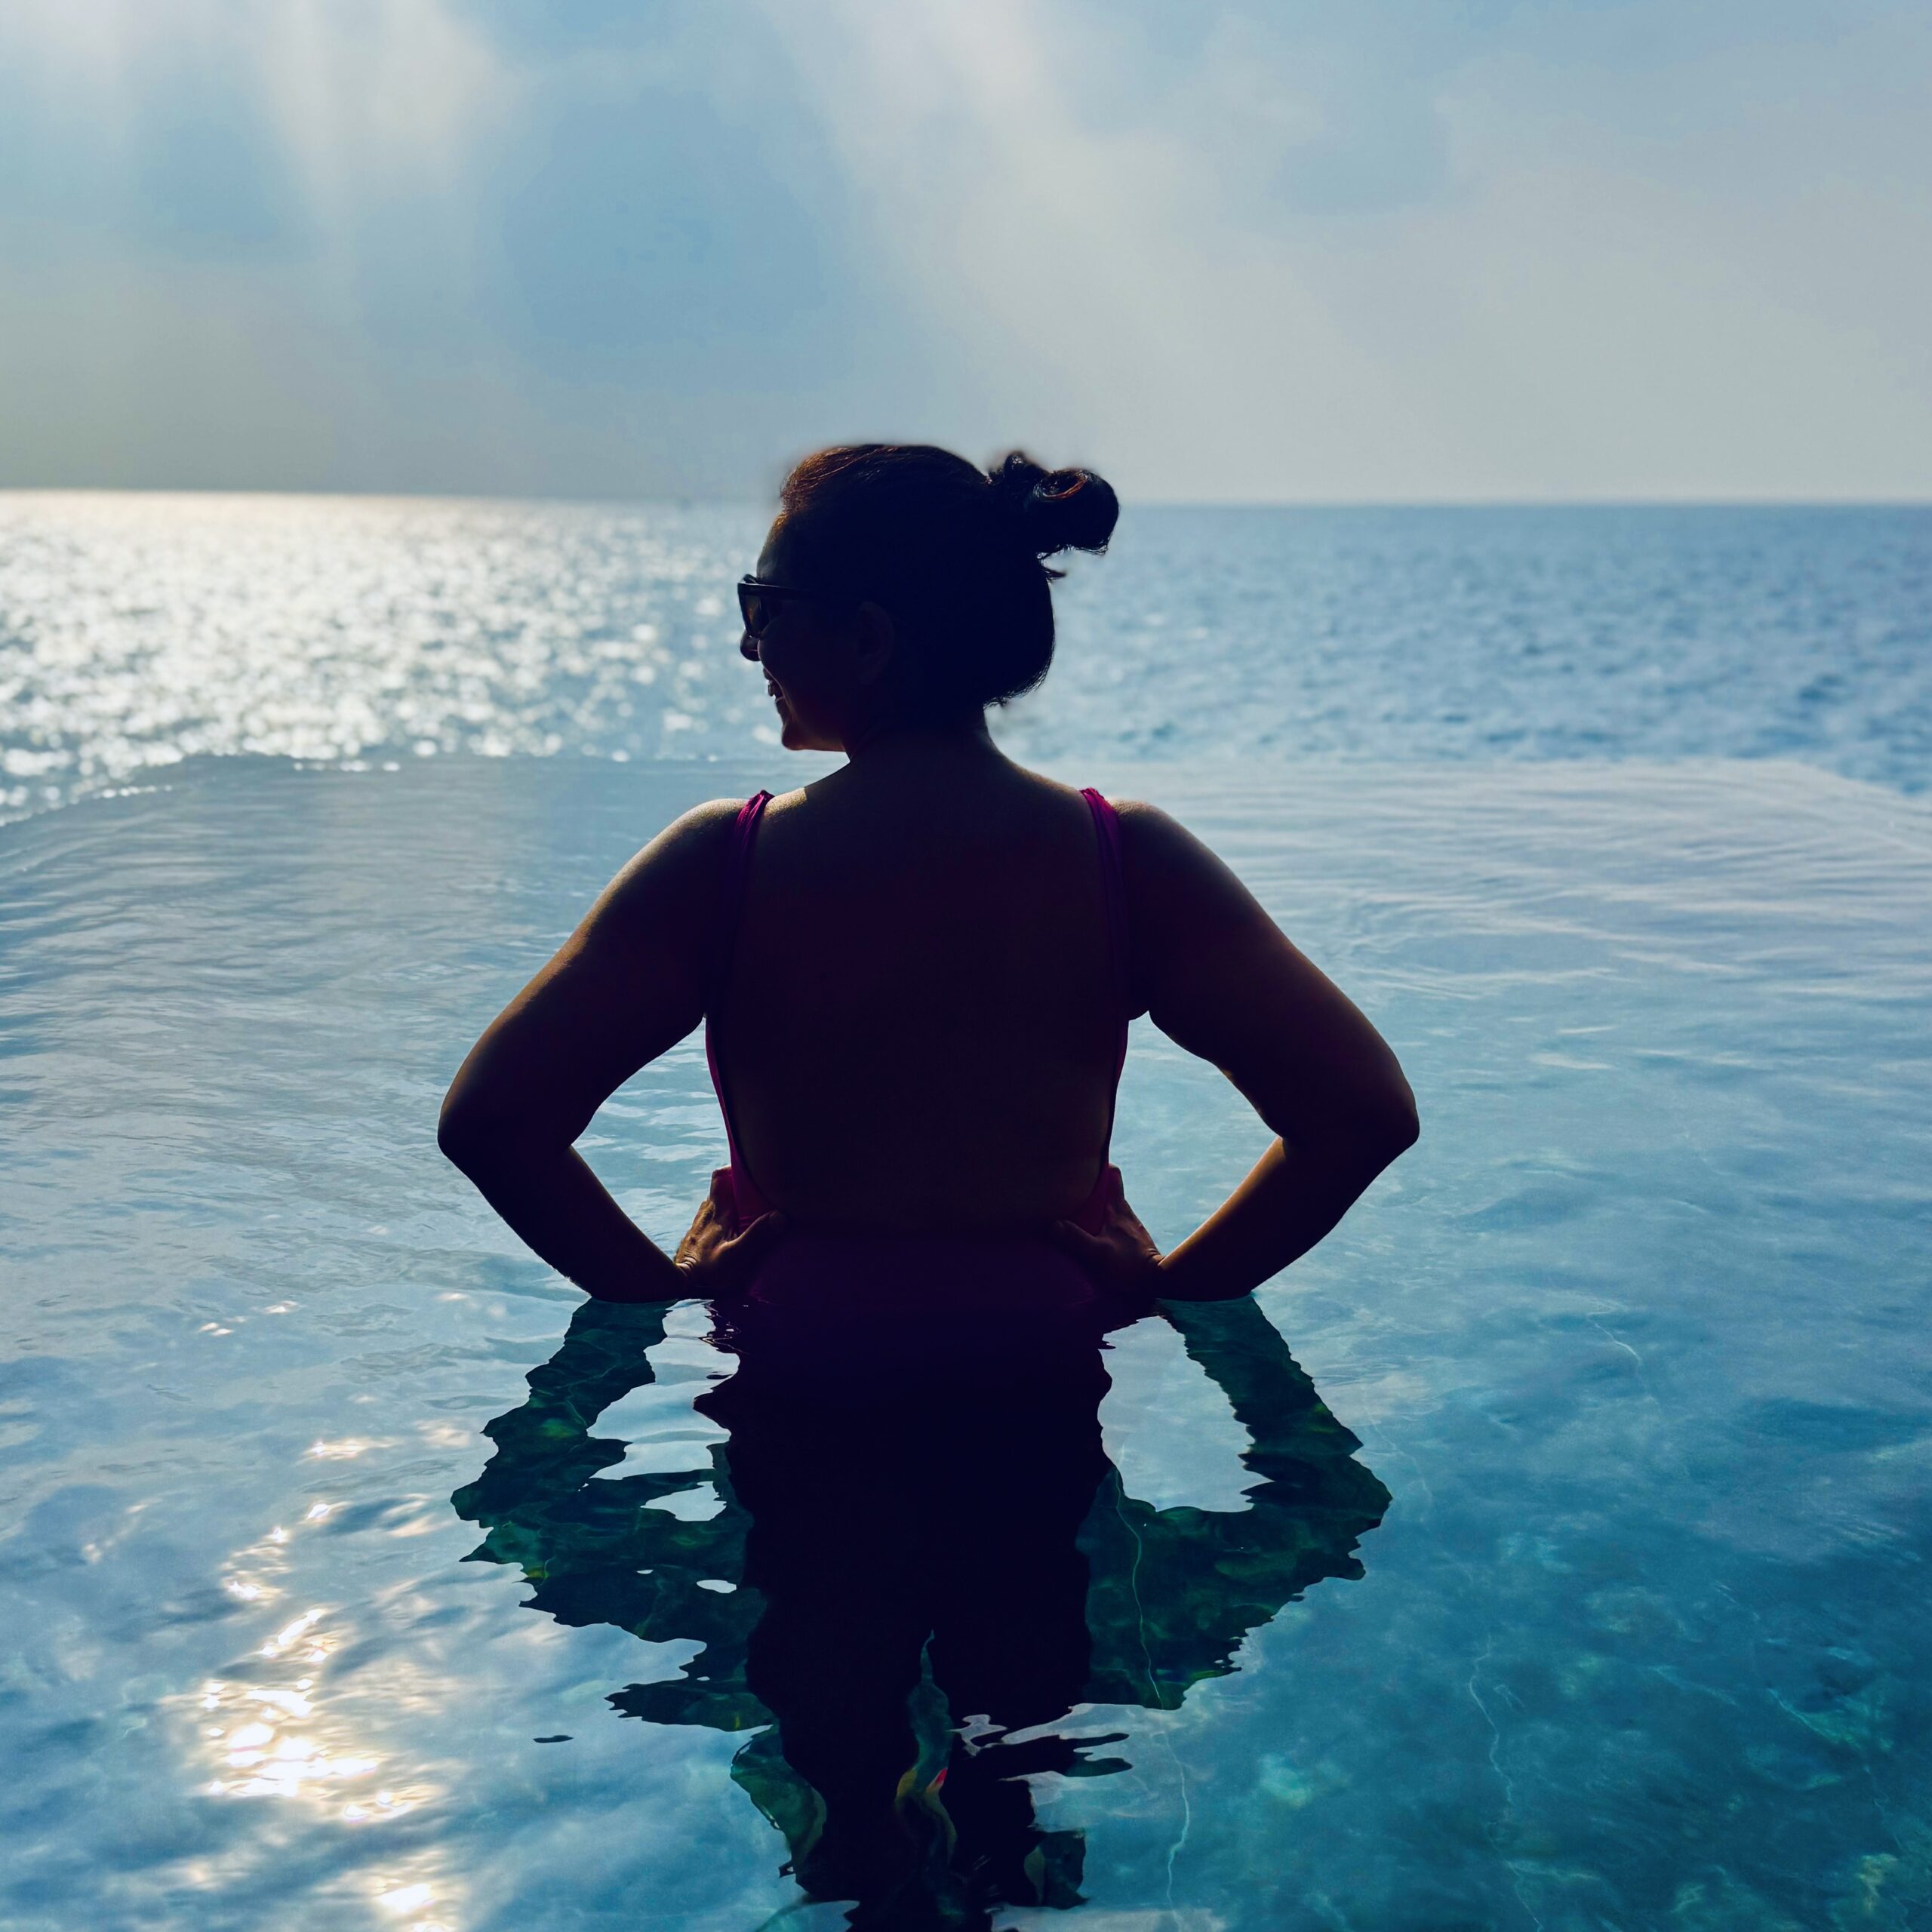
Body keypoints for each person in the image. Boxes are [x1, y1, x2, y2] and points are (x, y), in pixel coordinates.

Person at [437, 442, 1418, 1334]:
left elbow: (492, 1122)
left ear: (866, 639)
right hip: (1043, 1360)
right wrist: (1178, 1287)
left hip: (799, 1353)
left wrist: (657, 1291)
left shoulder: (721, 866)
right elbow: (1363, 1115)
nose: (748, 647)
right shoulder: (1130, 861)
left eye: (762, 607)